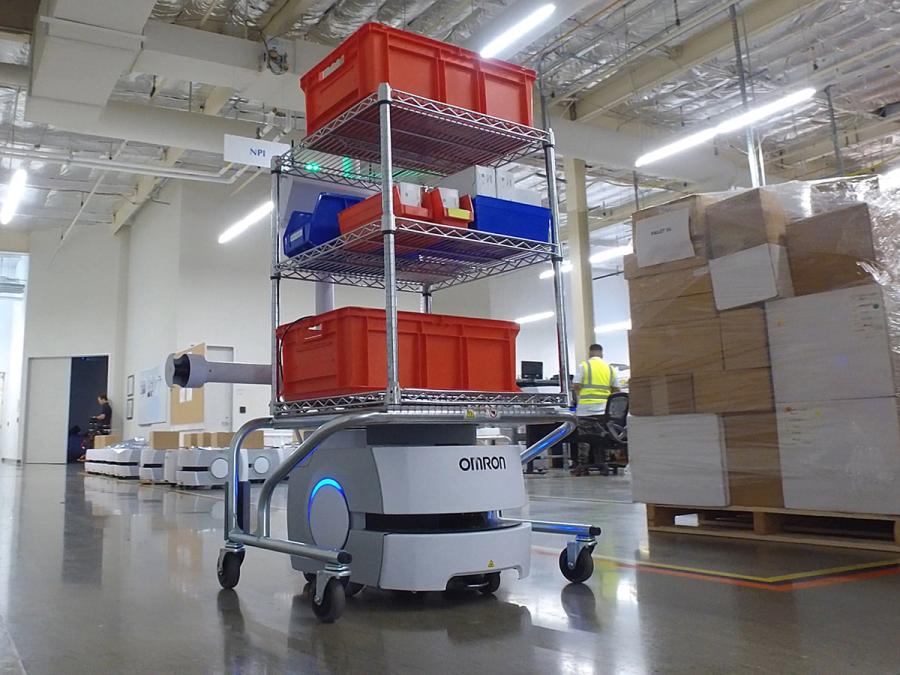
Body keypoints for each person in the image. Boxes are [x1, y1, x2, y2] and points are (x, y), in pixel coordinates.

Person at [571, 344, 620, 476]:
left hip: (586, 410)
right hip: (604, 410)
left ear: (590, 353)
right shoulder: (610, 369)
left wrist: (582, 395)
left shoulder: (584, 366)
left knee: (585, 438)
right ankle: (603, 463)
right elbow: (617, 389)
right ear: (602, 354)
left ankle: (583, 465)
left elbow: (576, 385)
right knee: (602, 437)